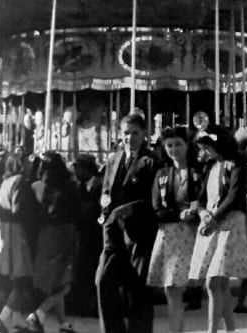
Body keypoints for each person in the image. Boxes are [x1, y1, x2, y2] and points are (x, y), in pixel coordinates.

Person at [95, 113, 160, 333]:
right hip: (113, 231)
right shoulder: (113, 159)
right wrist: (104, 207)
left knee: (138, 289)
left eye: (135, 133)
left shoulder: (151, 161)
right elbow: (105, 189)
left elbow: (154, 201)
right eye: (126, 133)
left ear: (144, 134)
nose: (130, 138)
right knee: (103, 280)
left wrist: (131, 209)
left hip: (139, 231)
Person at [188, 124, 247, 333]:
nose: (205, 152)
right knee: (220, 283)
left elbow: (235, 194)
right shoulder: (211, 167)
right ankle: (230, 329)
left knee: (214, 281)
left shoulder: (238, 163)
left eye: (207, 147)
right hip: (213, 222)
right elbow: (201, 198)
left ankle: (212, 331)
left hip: (230, 222)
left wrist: (214, 216)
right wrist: (202, 213)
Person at [147, 126, 202, 333]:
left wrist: (195, 213)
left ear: (188, 146)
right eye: (169, 145)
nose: (173, 149)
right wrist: (176, 215)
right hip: (169, 232)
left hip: (192, 231)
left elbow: (206, 198)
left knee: (188, 284)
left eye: (178, 144)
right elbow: (156, 206)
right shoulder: (162, 174)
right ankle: (176, 329)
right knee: (171, 286)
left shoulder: (199, 172)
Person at [24, 152, 81, 333]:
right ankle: (38, 314)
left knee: (51, 282)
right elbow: (77, 211)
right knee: (65, 283)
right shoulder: (70, 186)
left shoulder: (35, 187)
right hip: (64, 233)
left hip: (44, 235)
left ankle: (63, 323)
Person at [0, 152, 39, 333]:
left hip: (5, 230)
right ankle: (2, 319)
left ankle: (17, 320)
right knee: (22, 278)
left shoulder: (5, 182)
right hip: (17, 232)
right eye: (26, 162)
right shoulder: (21, 181)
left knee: (17, 278)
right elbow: (19, 209)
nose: (29, 166)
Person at [67, 154, 102, 318]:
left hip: (95, 235)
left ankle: (94, 305)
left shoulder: (99, 185)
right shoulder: (78, 186)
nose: (76, 171)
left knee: (93, 269)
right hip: (82, 235)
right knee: (82, 270)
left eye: (78, 168)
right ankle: (81, 304)